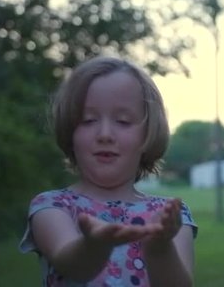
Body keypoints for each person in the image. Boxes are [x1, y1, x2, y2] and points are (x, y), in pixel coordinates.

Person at [19, 56, 197, 287]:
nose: (104, 134)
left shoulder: (168, 217)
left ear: (147, 134)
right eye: (88, 120)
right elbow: (73, 265)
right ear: (70, 133)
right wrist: (95, 244)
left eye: (122, 121)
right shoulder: (53, 207)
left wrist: (159, 247)